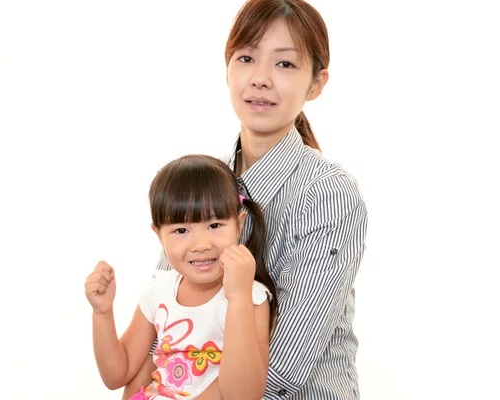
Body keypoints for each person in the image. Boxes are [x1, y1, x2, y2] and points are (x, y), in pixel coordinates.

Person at [124, 1, 368, 399]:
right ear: (227, 68)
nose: (260, 78)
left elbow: (285, 366)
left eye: (285, 64)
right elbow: (160, 321)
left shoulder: (329, 194)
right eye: (247, 57)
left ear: (317, 83)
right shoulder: (202, 180)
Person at [85, 154, 280, 399]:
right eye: (181, 230)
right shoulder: (159, 291)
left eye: (215, 225)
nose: (200, 244)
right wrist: (102, 313)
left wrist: (238, 298)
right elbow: (117, 375)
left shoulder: (250, 297)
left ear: (239, 224)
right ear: (158, 235)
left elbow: (243, 395)